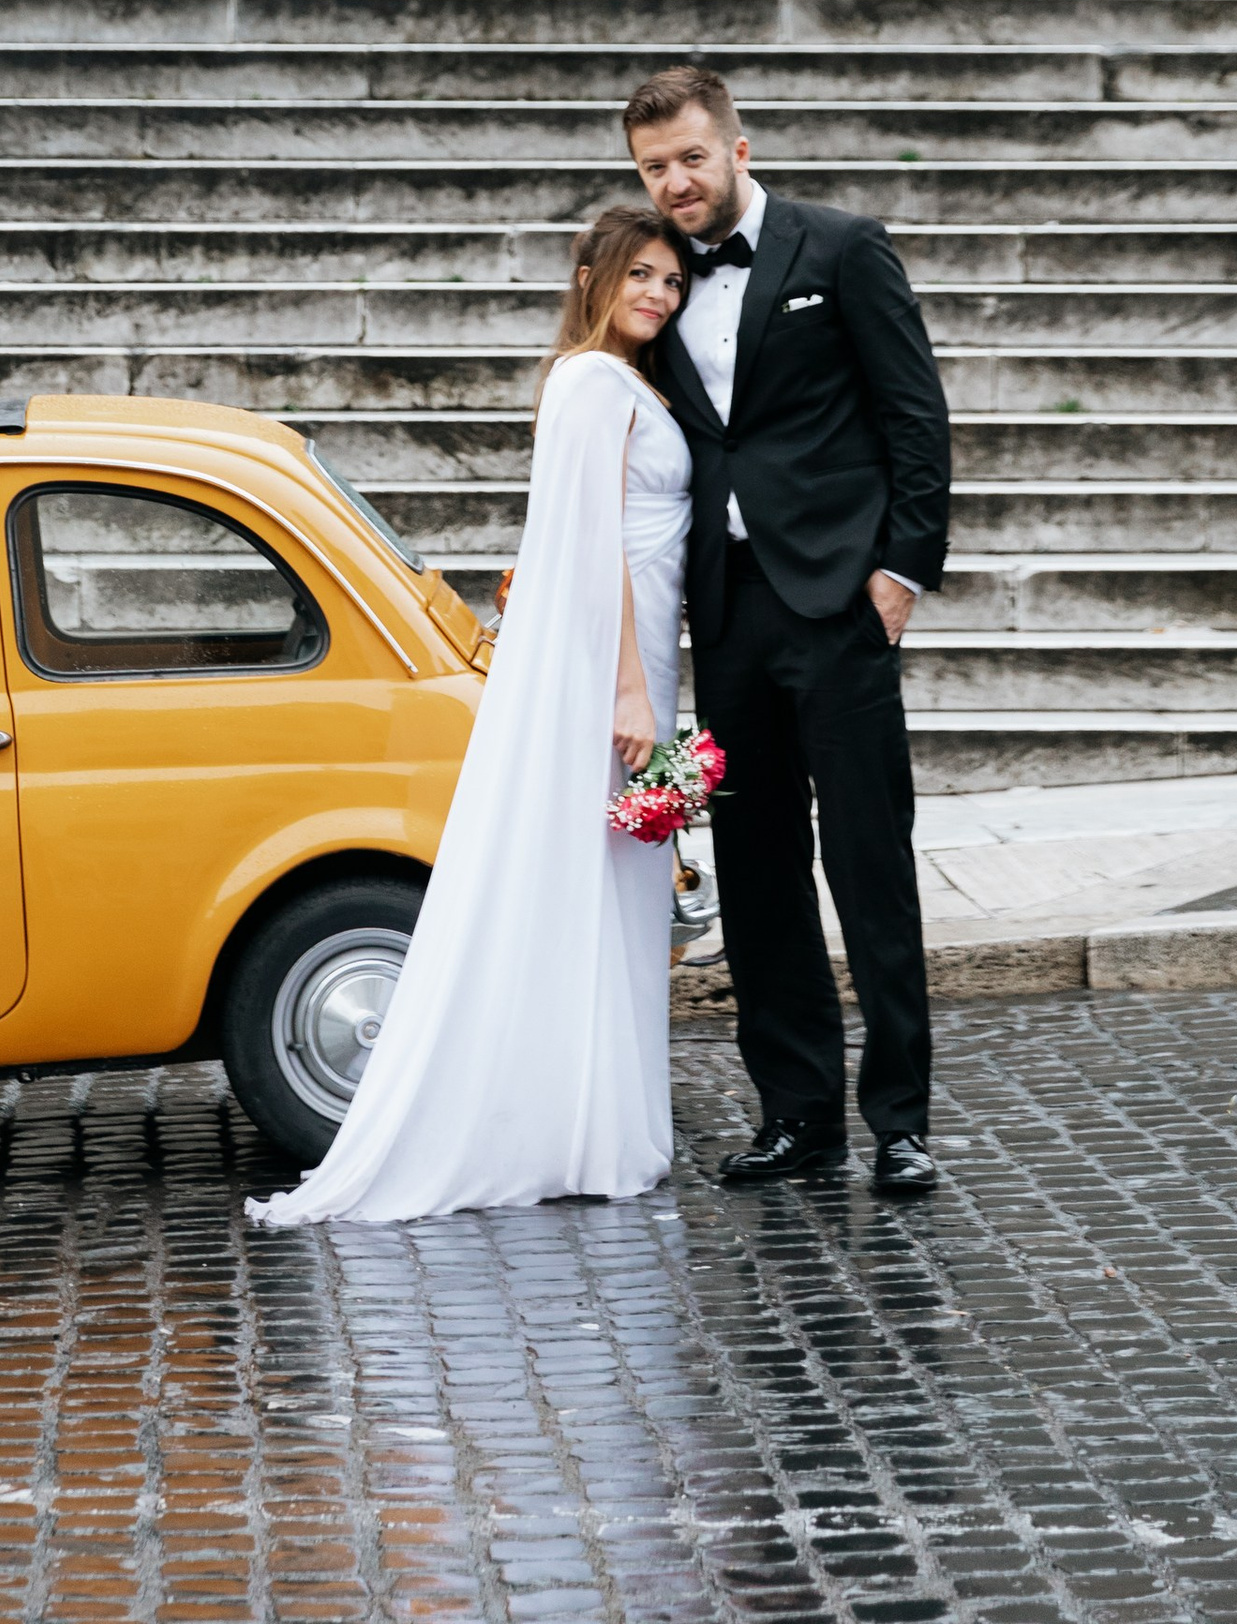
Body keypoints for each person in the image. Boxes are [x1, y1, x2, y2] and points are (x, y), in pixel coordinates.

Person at [247, 203, 695, 1226]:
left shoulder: (624, 381)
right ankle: (575, 1123)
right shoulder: (589, 382)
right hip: (608, 669)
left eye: (670, 280)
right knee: (594, 876)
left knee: (620, 885)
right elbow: (595, 550)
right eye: (641, 276)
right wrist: (630, 688)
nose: (658, 296)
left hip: (640, 662)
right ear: (594, 277)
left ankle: (601, 1119)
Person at [625, 60, 952, 1198]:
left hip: (839, 601)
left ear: (737, 150)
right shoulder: (653, 283)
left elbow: (914, 413)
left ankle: (900, 1121)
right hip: (727, 613)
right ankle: (798, 1116)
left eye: (690, 158)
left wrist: (903, 568)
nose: (675, 180)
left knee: (869, 862)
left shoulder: (842, 246)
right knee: (759, 875)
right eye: (654, 166)